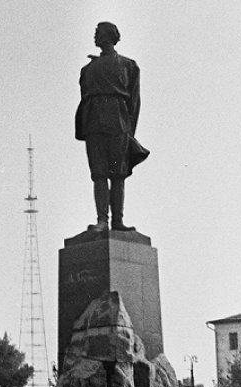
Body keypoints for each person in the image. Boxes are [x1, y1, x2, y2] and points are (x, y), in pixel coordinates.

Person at [75, 22, 149, 233]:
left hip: (118, 123)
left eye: (98, 33)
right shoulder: (87, 70)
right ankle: (102, 220)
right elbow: (84, 98)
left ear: (110, 36)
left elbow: (134, 102)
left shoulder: (129, 66)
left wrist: (129, 133)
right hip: (95, 123)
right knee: (98, 173)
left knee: (118, 174)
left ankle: (117, 221)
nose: (95, 37)